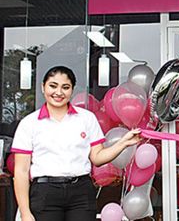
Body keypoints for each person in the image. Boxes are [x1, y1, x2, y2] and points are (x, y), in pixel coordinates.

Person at [11, 66, 141, 221]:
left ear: (71, 90)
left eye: (65, 87)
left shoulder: (86, 118)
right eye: (53, 86)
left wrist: (124, 142)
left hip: (81, 192)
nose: (58, 92)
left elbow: (97, 157)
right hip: (45, 193)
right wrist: (25, 213)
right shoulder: (29, 123)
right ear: (42, 87)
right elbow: (21, 171)